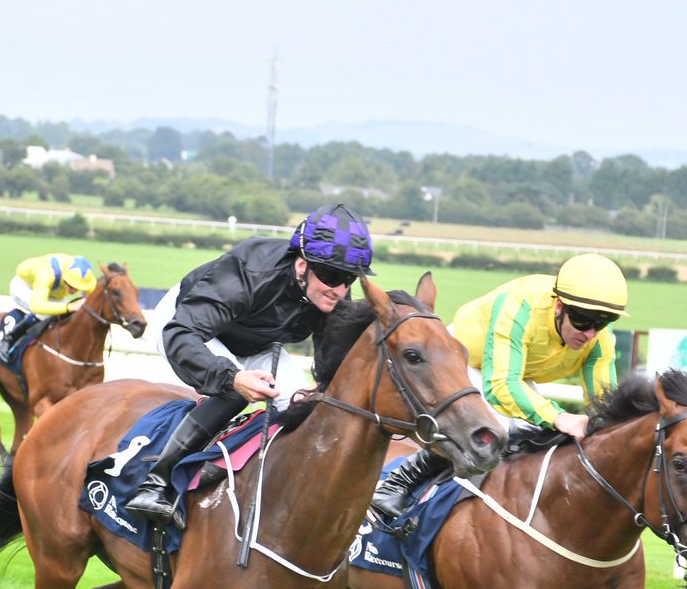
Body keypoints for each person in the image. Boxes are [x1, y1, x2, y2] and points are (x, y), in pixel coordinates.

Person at [125, 202, 374, 528]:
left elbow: (331, 367)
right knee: (235, 391)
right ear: (302, 266)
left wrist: (323, 393)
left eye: (349, 279)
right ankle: (155, 483)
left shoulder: (330, 295)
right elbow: (183, 333)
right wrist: (233, 377)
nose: (339, 290)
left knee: (309, 408)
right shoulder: (251, 270)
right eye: (331, 276)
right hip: (185, 324)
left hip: (253, 342)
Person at [371, 252, 629, 518]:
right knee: (492, 433)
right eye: (582, 321)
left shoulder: (599, 338)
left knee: (533, 437)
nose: (589, 333)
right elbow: (500, 386)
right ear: (559, 307)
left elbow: (603, 404)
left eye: (602, 323)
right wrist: (559, 416)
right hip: (463, 361)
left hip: (515, 371)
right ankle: (398, 482)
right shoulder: (520, 305)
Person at [0, 252, 97, 361]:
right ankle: (8, 340)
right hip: (25, 287)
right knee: (46, 313)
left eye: (76, 288)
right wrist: (69, 307)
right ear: (64, 276)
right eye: (69, 284)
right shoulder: (46, 274)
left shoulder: (87, 279)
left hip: (52, 291)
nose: (72, 290)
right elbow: (37, 306)